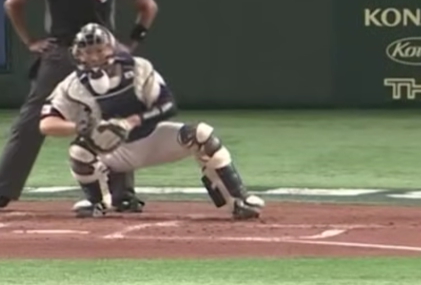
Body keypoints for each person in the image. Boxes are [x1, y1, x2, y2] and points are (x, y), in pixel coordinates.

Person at [0, 0, 158, 213]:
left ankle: (123, 193)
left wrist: (131, 43)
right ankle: (0, 190)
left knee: (115, 117)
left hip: (103, 54)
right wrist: (30, 41)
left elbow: (147, 6)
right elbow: (13, 3)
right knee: (32, 119)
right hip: (61, 51)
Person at [38, 24, 265, 220]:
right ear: (78, 55)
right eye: (89, 52)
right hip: (113, 150)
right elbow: (46, 124)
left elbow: (167, 105)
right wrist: (80, 127)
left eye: (99, 49)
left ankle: (236, 199)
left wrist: (132, 121)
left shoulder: (138, 68)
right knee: (79, 151)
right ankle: (98, 202)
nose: (95, 57)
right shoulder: (73, 85)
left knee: (202, 134)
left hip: (151, 138)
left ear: (111, 47)